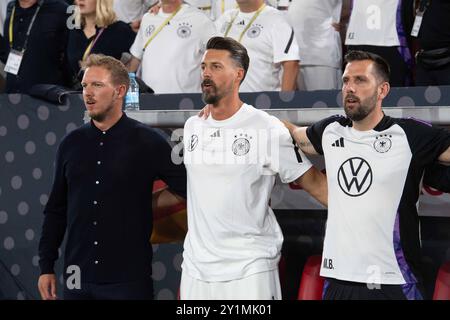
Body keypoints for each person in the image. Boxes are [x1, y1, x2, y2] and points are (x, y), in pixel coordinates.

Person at [283, 50, 450, 299]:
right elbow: (293, 135)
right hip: (339, 279)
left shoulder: (410, 134)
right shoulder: (330, 130)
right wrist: (238, 115)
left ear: (382, 90)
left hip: (394, 281)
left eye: (360, 80)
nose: (350, 88)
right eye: (346, 80)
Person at [181, 36, 327, 300]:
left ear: (238, 74)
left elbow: (316, 184)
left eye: (216, 66)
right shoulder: (193, 126)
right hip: (196, 269)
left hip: (249, 269)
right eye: (204, 66)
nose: (205, 73)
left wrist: (364, 215)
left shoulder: (266, 128)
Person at [37, 54, 186, 300]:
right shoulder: (70, 144)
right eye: (85, 85)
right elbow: (56, 210)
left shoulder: (149, 142)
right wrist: (46, 267)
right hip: (77, 277)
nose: (88, 93)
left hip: (128, 280)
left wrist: (147, 205)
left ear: (120, 91)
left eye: (97, 85)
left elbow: (188, 188)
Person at [127, 0, 216, 94]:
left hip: (187, 103)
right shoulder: (148, 18)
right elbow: (135, 60)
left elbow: (219, 56)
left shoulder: (199, 19)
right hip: (149, 102)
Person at [215, 0, 300, 92]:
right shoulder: (225, 18)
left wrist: (284, 102)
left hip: (262, 100)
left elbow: (291, 64)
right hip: (225, 100)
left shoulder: (276, 19)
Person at [0, 0, 69, 93]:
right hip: (12, 96)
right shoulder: (11, 7)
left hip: (46, 98)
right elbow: (8, 53)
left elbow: (71, 58)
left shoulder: (62, 9)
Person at [66, 0, 136, 89]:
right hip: (75, 97)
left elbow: (139, 59)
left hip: (107, 97)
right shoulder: (73, 31)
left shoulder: (119, 30)